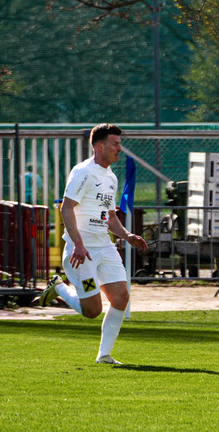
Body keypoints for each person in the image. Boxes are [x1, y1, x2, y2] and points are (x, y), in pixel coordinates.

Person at [35, 124, 148, 364]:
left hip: (104, 247)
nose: (119, 148)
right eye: (115, 144)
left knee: (121, 297)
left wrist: (128, 236)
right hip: (82, 253)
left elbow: (111, 217)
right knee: (92, 311)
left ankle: (104, 355)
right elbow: (66, 208)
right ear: (99, 146)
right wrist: (78, 244)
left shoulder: (111, 177)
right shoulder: (83, 172)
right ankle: (59, 288)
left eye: (119, 143)